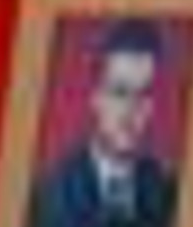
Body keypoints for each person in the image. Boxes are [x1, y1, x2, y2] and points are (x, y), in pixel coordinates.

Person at [31, 19, 177, 227]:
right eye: (119, 92)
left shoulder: (168, 192)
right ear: (96, 97)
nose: (131, 109)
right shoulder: (51, 192)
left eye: (144, 94)